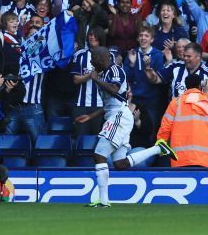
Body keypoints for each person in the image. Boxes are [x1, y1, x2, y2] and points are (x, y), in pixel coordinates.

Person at [75, 47, 176, 208]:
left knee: (99, 155)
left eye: (94, 58)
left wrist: (95, 79)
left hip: (119, 117)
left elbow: (114, 90)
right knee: (120, 164)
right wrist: (90, 116)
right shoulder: (102, 73)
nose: (92, 62)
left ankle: (103, 201)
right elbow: (112, 102)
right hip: (116, 115)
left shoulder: (115, 70)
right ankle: (158, 149)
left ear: (103, 58)